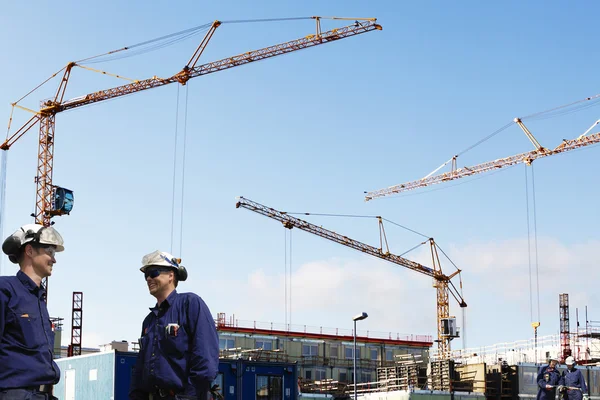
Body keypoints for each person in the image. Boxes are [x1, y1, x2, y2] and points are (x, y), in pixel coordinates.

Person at [129, 250, 219, 400]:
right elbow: (140, 369)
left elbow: (206, 361)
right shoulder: (149, 321)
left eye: (154, 273)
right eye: (146, 275)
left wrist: (188, 397)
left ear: (171, 275)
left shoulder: (190, 304)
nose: (148, 279)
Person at [0, 224, 65, 399]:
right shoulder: (5, 289)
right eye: (49, 252)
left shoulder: (39, 300)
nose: (54, 259)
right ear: (29, 251)